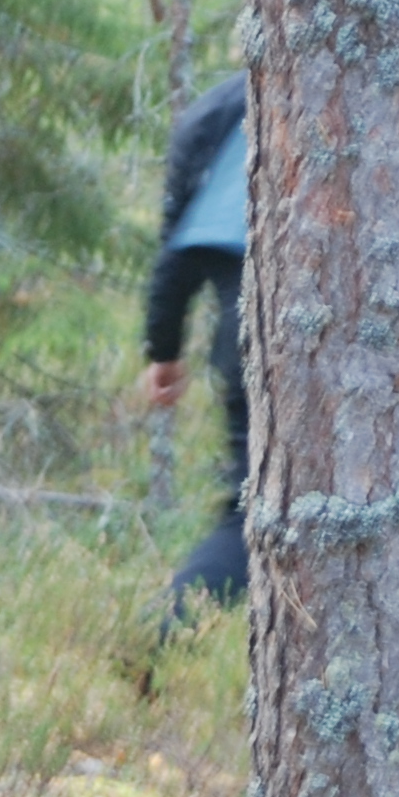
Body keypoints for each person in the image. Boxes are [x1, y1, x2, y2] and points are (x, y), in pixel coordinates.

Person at [140, 71, 249, 620]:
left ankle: (169, 627)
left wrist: (164, 351)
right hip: (326, 344)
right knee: (258, 515)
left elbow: (176, 251)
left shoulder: (216, 109)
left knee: (255, 508)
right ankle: (167, 629)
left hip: (244, 336)